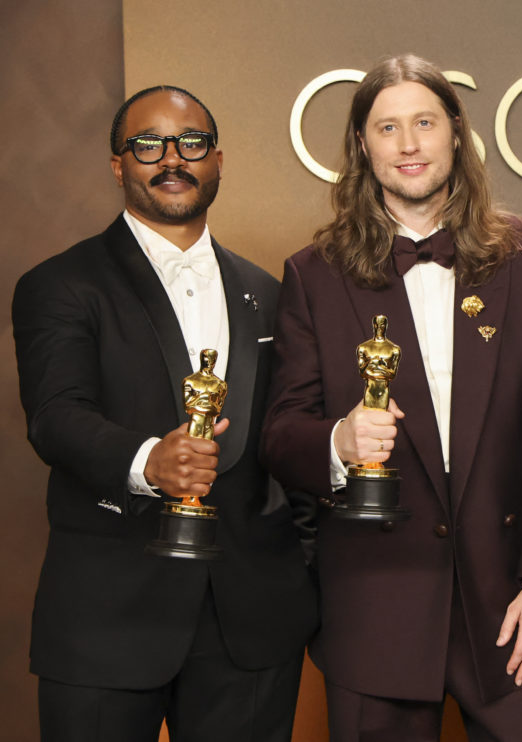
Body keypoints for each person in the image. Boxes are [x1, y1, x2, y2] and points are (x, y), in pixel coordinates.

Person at [259, 54, 522, 741]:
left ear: (457, 134)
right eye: (387, 128)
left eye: (425, 123)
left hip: (513, 613)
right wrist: (337, 445)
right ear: (361, 147)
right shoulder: (311, 276)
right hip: (375, 611)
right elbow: (280, 432)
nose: (408, 145)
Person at [11, 86, 317, 742]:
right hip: (106, 620)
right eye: (148, 144)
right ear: (119, 164)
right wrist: (148, 460)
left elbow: (287, 437)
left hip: (251, 622)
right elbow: (56, 416)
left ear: (219, 161)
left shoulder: (269, 292)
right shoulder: (59, 284)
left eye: (191, 143)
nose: (171, 158)